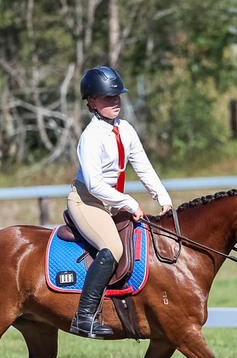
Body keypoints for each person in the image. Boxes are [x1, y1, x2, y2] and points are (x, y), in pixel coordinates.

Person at [68, 65, 173, 338]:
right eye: (106, 98)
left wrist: (163, 198)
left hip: (112, 201)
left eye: (117, 97)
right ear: (91, 102)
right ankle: (84, 317)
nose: (114, 102)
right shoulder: (90, 137)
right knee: (112, 247)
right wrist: (129, 203)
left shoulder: (125, 129)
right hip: (87, 201)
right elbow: (94, 184)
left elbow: (144, 167)